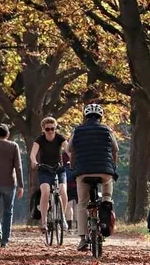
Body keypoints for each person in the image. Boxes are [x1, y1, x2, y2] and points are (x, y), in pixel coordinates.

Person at [68, 103, 118, 251]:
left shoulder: (77, 131)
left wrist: (73, 167)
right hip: (104, 171)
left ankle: (83, 238)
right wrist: (112, 166)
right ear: (100, 117)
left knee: (82, 203)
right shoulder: (107, 130)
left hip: (83, 172)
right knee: (107, 195)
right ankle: (105, 216)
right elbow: (115, 149)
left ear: (85, 116)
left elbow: (70, 149)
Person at [30, 117, 70, 232]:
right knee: (46, 191)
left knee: (63, 192)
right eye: (48, 129)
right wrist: (34, 161)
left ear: (55, 128)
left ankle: (62, 218)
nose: (51, 131)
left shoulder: (59, 138)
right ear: (43, 129)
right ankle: (43, 221)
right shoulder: (40, 140)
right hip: (44, 169)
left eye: (53, 128)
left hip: (59, 169)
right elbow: (33, 154)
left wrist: (72, 159)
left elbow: (68, 149)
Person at [61, 151, 78, 232]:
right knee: (79, 205)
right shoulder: (78, 153)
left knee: (69, 205)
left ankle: (70, 227)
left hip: (67, 183)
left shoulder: (64, 155)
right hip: (78, 182)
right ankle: (79, 226)